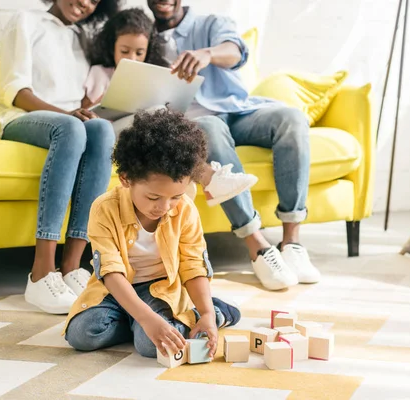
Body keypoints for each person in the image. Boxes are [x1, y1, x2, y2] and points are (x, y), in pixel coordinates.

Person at [146, 0, 322, 291]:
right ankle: (258, 245)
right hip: (200, 122)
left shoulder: (210, 24)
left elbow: (236, 51)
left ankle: (292, 241)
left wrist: (208, 54)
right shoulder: (143, 35)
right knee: (209, 128)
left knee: (292, 118)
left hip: (239, 111)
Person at [64, 109, 241, 358]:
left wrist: (208, 314)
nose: (164, 206)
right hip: (115, 290)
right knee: (81, 335)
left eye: (175, 197)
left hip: (160, 288)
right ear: (126, 179)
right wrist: (147, 320)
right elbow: (111, 273)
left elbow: (193, 266)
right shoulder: (104, 208)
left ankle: (213, 310)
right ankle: (140, 321)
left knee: (151, 348)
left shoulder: (185, 211)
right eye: (153, 197)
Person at [0, 0, 121, 314]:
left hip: (69, 121)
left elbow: (76, 97)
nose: (85, 4)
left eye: (95, 1)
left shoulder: (79, 37)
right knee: (72, 128)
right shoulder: (26, 20)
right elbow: (15, 90)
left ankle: (73, 267)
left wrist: (92, 108)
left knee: (103, 129)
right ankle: (41, 273)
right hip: (22, 118)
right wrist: (68, 115)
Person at [83, 7, 258, 207]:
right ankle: (210, 178)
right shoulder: (99, 73)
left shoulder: (150, 76)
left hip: (139, 137)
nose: (132, 57)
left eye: (139, 52)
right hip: (108, 133)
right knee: (156, 115)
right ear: (111, 46)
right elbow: (87, 109)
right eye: (124, 51)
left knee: (162, 118)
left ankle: (197, 181)